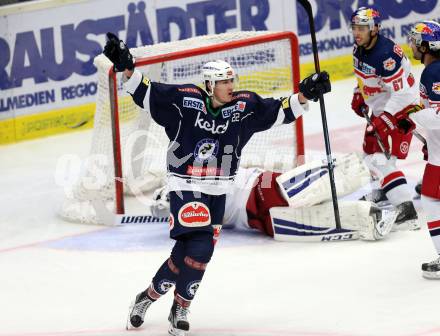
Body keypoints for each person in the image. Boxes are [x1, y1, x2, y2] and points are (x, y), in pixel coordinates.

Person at [102, 32, 331, 335]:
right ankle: (181, 307)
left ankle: (147, 297)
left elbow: (277, 111)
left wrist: (307, 94)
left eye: (231, 80)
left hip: (220, 192)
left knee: (183, 254)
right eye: (224, 82)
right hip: (186, 186)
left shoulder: (243, 107)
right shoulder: (184, 100)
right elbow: (146, 93)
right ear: (210, 84)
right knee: (201, 250)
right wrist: (125, 66)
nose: (230, 86)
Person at [151, 153, 397, 242]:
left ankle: (364, 170)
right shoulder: (194, 214)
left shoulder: (200, 174)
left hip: (261, 187)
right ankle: (370, 215)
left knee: (296, 191)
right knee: (313, 221)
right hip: (259, 222)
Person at [349, 6, 420, 230]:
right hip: (383, 109)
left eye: (362, 28)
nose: (357, 32)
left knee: (378, 159)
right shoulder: (359, 48)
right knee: (371, 152)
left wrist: (387, 118)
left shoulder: (386, 55)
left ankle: (406, 209)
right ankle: (385, 190)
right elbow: (366, 78)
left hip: (401, 109)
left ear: (375, 29)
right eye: (355, 28)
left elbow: (403, 93)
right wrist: (358, 93)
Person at [405, 20, 440, 279]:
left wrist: (416, 117)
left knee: (430, 197)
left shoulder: (433, 73)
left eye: (417, 40)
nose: (412, 44)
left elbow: (438, 116)